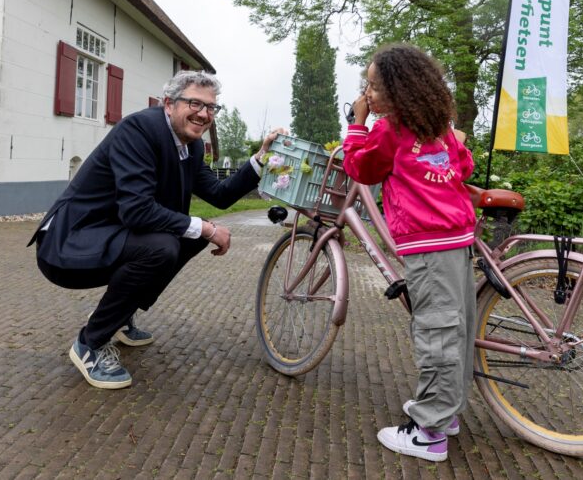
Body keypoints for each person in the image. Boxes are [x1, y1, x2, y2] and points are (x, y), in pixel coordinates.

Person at [30, 70, 282, 390]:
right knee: (163, 247)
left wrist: (260, 159)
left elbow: (219, 196)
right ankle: (90, 343)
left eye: (211, 107)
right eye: (195, 103)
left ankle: (121, 315)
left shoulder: (190, 146)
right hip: (68, 242)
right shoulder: (139, 130)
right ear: (168, 104)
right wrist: (204, 228)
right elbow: (136, 211)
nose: (204, 114)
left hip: (110, 234)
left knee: (186, 239)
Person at [342, 44, 476, 463]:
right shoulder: (439, 128)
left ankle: (430, 433)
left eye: (375, 87)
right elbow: (465, 167)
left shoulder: (389, 130)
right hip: (457, 238)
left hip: (427, 244)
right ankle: (447, 411)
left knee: (435, 333)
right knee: (456, 329)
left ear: (399, 91)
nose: (369, 94)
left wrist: (356, 125)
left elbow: (361, 169)